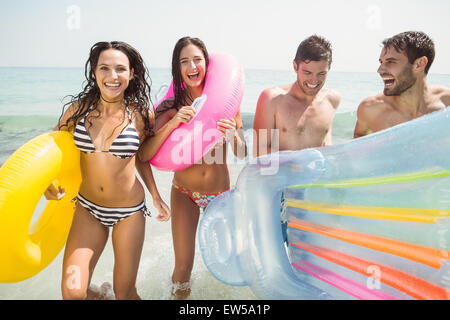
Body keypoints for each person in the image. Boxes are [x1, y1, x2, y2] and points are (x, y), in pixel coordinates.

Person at [44, 41, 170, 300]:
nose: (113, 76)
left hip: (129, 212)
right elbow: (52, 150)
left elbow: (141, 158)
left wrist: (155, 196)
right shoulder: (78, 110)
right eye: (105, 68)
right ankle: (100, 296)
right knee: (72, 292)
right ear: (94, 71)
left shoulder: (140, 114)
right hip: (88, 208)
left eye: (120, 69)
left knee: (125, 292)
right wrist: (48, 182)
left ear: (131, 73)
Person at [138, 36, 247, 299]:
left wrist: (233, 134)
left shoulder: (226, 101)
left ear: (207, 64)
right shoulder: (170, 107)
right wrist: (174, 122)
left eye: (197, 59)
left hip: (218, 195)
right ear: (178, 68)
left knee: (225, 261)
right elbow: (144, 155)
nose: (192, 66)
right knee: (183, 266)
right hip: (184, 192)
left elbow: (242, 152)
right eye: (184, 61)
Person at [253, 35, 341, 157]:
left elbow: (327, 146)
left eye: (321, 73)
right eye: (307, 72)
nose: (313, 80)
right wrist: (298, 159)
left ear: (329, 69)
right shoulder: (272, 99)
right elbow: (258, 153)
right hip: (281, 175)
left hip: (317, 176)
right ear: (295, 67)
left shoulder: (332, 100)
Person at [354, 31, 450, 138]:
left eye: (390, 61)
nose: (379, 70)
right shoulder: (371, 109)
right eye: (381, 62)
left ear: (419, 64)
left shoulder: (446, 103)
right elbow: (358, 137)